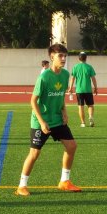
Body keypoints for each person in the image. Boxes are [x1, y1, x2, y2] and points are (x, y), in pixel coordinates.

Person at [15, 43, 81, 196]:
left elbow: (61, 95)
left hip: (57, 119)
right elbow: (33, 101)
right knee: (34, 154)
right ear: (52, 57)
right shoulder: (44, 77)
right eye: (60, 56)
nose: (63, 58)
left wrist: (64, 111)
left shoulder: (65, 74)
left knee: (71, 146)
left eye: (65, 56)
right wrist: (42, 122)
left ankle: (64, 181)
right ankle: (21, 185)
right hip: (41, 121)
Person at [67, 52, 98, 127]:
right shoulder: (89, 67)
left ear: (79, 58)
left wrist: (70, 88)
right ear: (86, 58)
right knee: (90, 105)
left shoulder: (75, 67)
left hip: (79, 90)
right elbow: (93, 78)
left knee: (80, 106)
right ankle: (90, 116)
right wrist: (95, 88)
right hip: (88, 90)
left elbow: (73, 78)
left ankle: (83, 123)